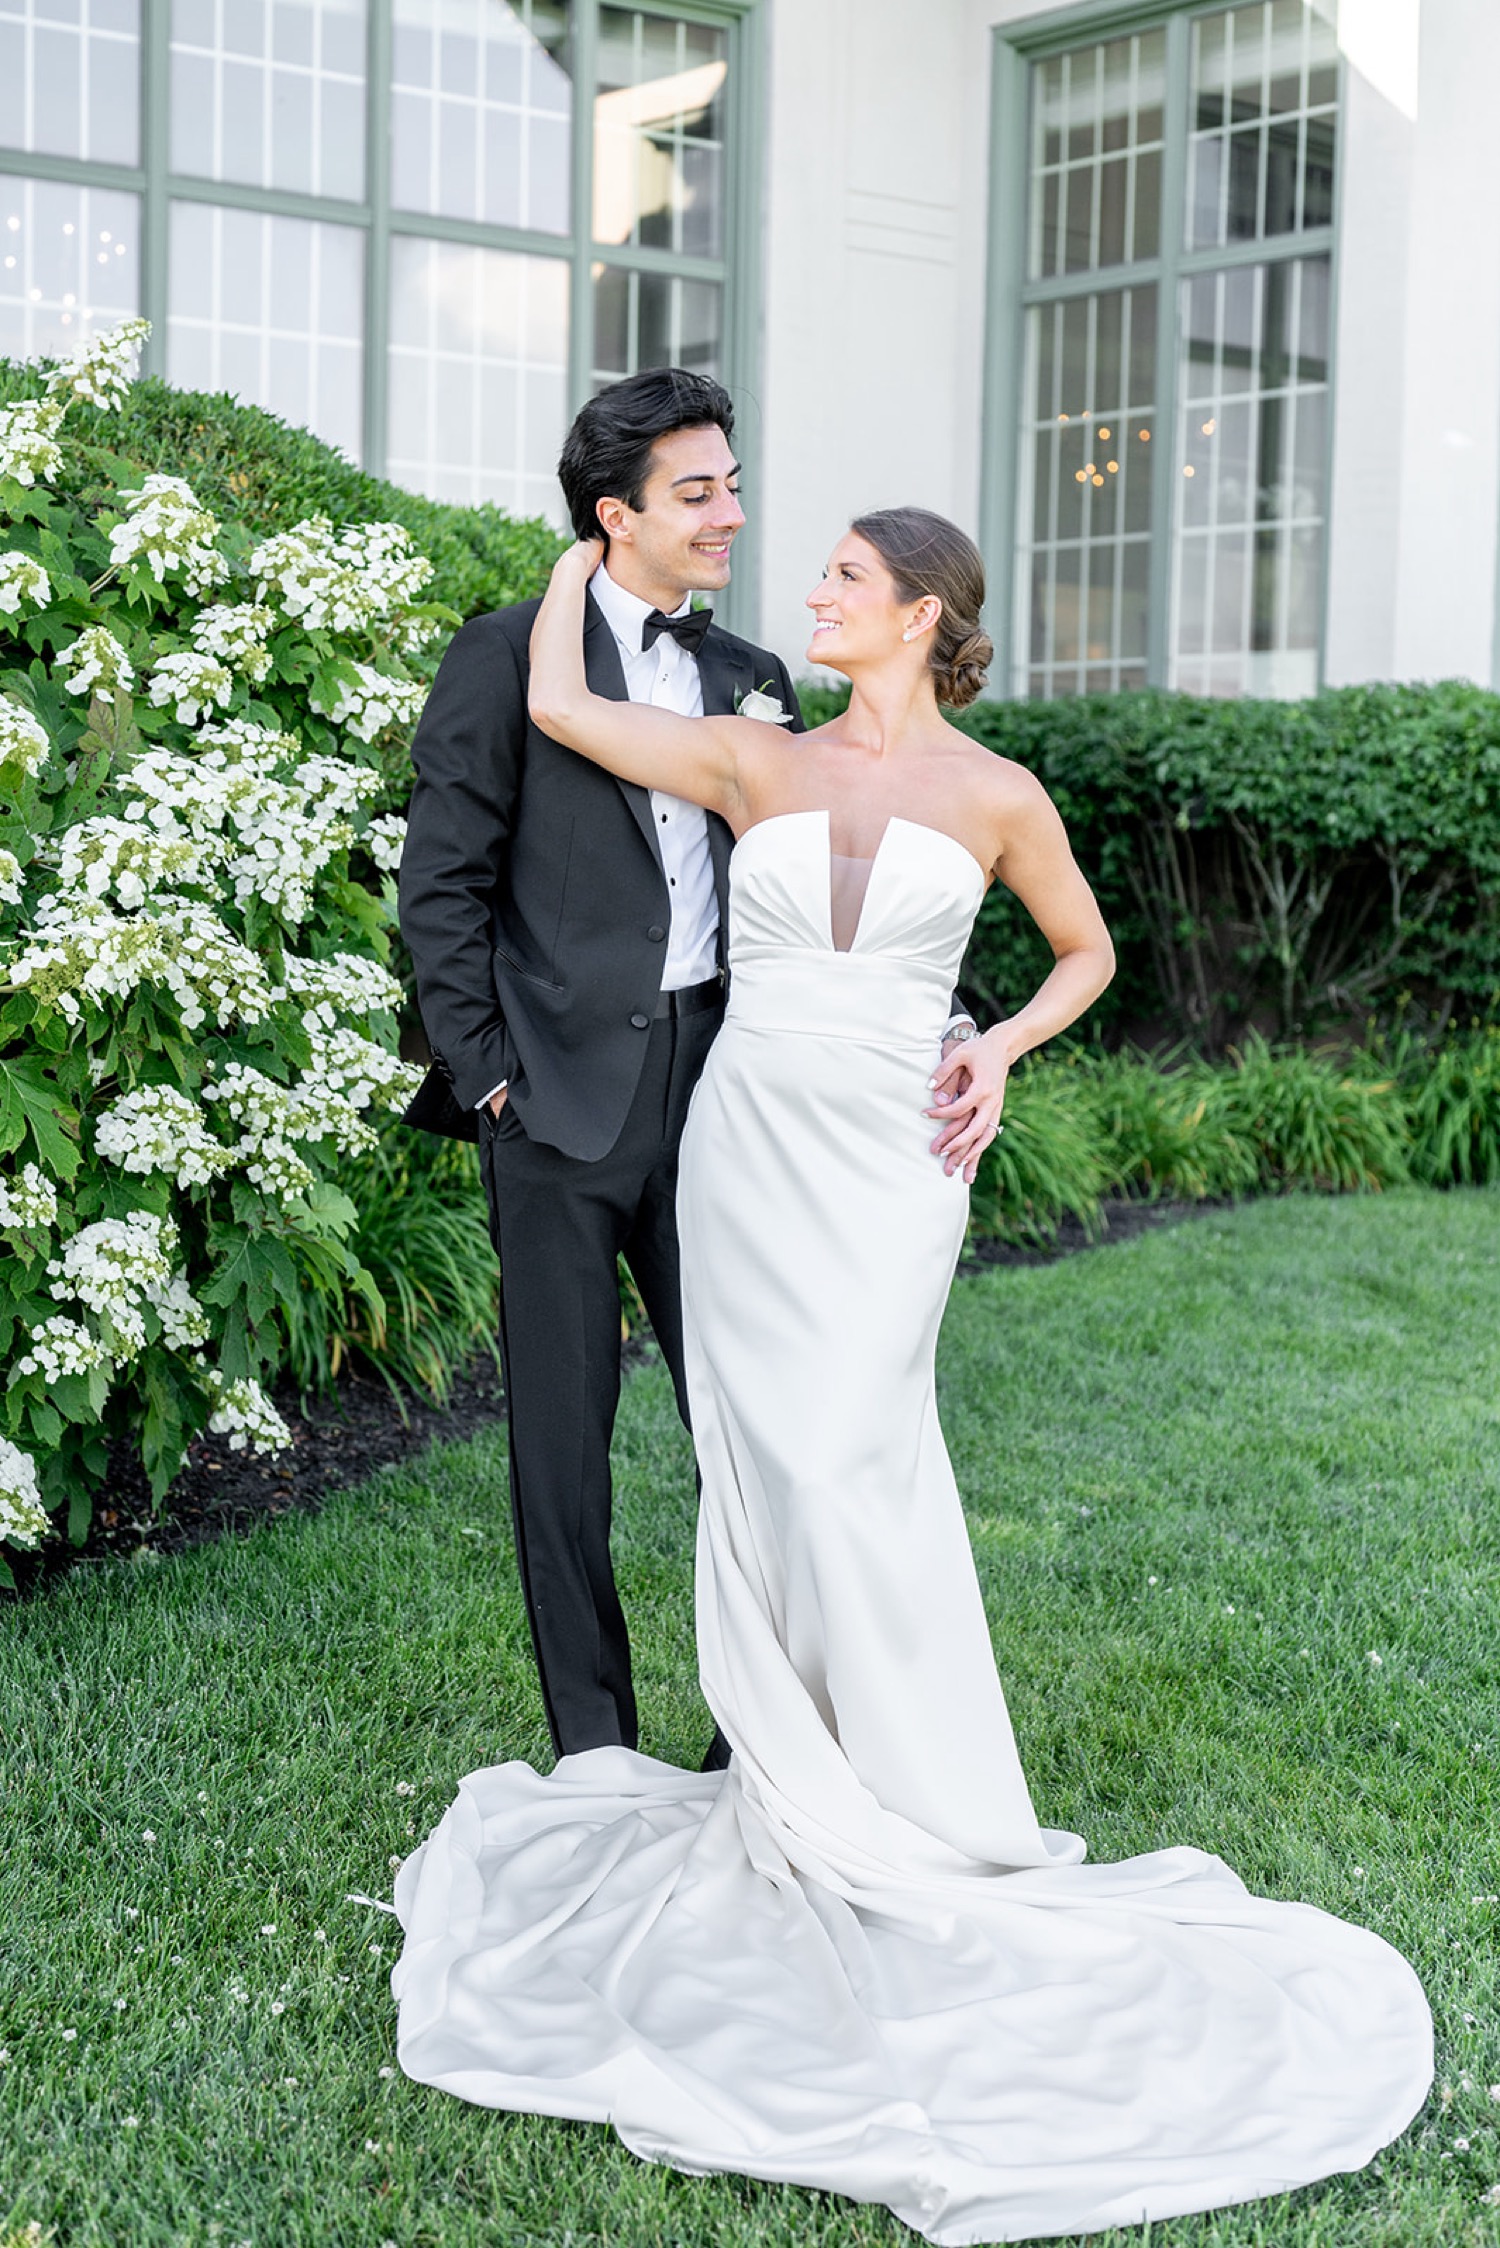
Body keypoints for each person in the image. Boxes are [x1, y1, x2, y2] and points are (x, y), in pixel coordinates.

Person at [392, 508, 1431, 2245]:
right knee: (766, 1456)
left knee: (854, 1445)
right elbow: (570, 711)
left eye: (846, 582)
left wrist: (999, 1047)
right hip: (749, 1148)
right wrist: (588, 555)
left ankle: (903, 1784)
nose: (812, 595)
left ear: (923, 613)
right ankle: (795, 1769)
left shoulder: (1003, 793)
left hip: (894, 1161)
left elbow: (1089, 953)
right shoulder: (747, 752)